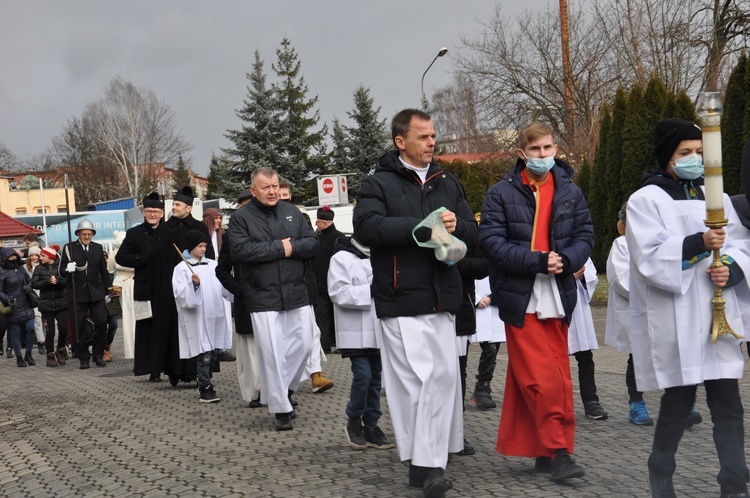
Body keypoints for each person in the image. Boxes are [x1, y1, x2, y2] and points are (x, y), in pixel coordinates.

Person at [353, 108, 478, 497]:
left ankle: (422, 464)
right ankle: (427, 464)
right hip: (401, 296)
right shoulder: (378, 183)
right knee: (422, 382)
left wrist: (459, 227)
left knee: (439, 381)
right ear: (400, 141)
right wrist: (421, 227)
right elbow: (367, 227)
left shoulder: (446, 180)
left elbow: (474, 232)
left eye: (433, 136)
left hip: (442, 295)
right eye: (423, 136)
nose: (431, 143)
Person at [626, 118, 750, 498]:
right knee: (679, 402)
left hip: (718, 315)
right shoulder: (646, 200)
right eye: (685, 153)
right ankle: (660, 469)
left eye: (699, 152)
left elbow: (740, 244)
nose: (695, 159)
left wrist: (730, 268)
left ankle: (734, 482)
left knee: (728, 404)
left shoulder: (718, 197)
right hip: (678, 315)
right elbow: (647, 256)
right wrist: (698, 242)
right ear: (667, 157)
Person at [479, 121, 593, 481]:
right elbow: (492, 244)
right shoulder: (499, 193)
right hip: (520, 297)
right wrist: (538, 260)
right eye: (535, 150)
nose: (543, 156)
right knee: (544, 380)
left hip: (558, 295)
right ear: (521, 154)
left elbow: (585, 235)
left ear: (555, 149)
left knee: (551, 376)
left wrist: (568, 260)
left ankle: (542, 449)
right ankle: (558, 450)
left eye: (548, 148)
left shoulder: (571, 191)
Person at [228, 167, 319, 431]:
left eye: (275, 186)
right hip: (262, 294)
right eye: (266, 187)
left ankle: (286, 391)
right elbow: (242, 251)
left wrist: (292, 247)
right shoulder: (241, 218)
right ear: (253, 190)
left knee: (303, 347)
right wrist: (284, 246)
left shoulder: (293, 213)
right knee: (272, 353)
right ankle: (281, 410)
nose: (272, 191)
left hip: (296, 292)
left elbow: (312, 244)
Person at [328, 235, 394, 451]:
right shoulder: (341, 258)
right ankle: (354, 419)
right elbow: (338, 293)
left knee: (376, 378)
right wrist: (373, 290)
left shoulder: (381, 255)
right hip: (354, 330)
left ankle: (372, 425)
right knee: (363, 375)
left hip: (380, 327)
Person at [149, 186, 215, 386]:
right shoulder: (163, 228)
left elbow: (208, 256)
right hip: (169, 288)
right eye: (173, 204)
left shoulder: (199, 227)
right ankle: (173, 369)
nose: (174, 207)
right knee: (170, 328)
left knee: (194, 327)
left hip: (193, 287)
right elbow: (154, 257)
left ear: (188, 208)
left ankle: (196, 371)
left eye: (177, 204)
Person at [278, 182, 335, 394]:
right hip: (280, 287)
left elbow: (311, 246)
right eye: (279, 195)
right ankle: (289, 378)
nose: (282, 198)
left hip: (305, 283)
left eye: (286, 194)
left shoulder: (300, 219)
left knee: (311, 331)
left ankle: (315, 375)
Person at [605, 203, 654, 426]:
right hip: (639, 308)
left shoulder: (659, 242)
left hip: (663, 309)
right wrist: (652, 292)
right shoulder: (622, 244)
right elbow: (620, 279)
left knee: (674, 354)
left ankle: (684, 402)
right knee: (638, 357)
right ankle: (636, 404)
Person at [172, 230, 232, 403]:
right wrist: (194, 285)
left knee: (213, 352)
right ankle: (205, 386)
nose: (203, 249)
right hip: (198, 316)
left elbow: (223, 286)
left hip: (214, 313)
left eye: (205, 246)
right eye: (200, 246)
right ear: (191, 247)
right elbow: (179, 293)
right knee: (204, 352)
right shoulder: (182, 268)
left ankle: (204, 378)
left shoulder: (213, 265)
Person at [216, 188, 261, 407]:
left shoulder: (268, 228)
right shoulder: (230, 235)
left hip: (272, 299)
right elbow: (222, 270)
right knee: (251, 350)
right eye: (242, 205)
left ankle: (281, 391)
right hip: (246, 302)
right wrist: (240, 290)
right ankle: (255, 392)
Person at [116, 192, 164, 381]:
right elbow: (121, 257)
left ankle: (167, 366)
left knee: (166, 329)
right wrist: (142, 259)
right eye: (149, 211)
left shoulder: (168, 230)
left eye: (156, 211)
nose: (153, 214)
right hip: (145, 288)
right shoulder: (134, 233)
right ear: (144, 212)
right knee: (147, 331)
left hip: (166, 288)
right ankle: (150, 369)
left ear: (162, 213)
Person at [59, 219, 111, 369]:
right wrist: (67, 269)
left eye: (90, 234)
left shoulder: (97, 247)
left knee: (102, 322)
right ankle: (83, 356)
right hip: (76, 292)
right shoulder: (69, 248)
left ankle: (98, 354)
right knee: (78, 326)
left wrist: (108, 291)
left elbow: (103, 271)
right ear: (78, 234)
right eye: (84, 234)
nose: (87, 237)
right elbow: (61, 271)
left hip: (96, 292)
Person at [568, 259, 608, 421]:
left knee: (585, 357)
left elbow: (590, 273)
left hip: (576, 306)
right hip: (551, 303)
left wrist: (582, 277)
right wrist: (566, 278)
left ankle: (591, 401)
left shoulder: (576, 245)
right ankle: (553, 402)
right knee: (552, 359)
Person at [203, 207, 235, 363]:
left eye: (220, 218)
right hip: (208, 278)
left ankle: (224, 347)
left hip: (222, 278)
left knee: (225, 310)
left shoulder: (223, 237)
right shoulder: (204, 237)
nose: (218, 221)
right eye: (215, 218)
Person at [313, 205, 344, 353]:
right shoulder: (317, 237)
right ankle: (325, 344)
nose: (316, 225)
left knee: (336, 315)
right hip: (320, 284)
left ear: (325, 223)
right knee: (322, 315)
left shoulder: (338, 238)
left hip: (334, 283)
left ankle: (339, 343)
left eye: (317, 222)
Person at [0, 249, 38, 367]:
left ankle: (28, 353)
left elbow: (29, 281)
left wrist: (29, 287)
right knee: (15, 333)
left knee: (31, 328)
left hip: (26, 304)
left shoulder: (21, 269)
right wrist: (7, 300)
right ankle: (19, 357)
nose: (13, 259)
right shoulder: (2, 273)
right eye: (10, 257)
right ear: (5, 258)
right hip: (13, 306)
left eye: (14, 256)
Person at [470, 276, 504, 410]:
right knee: (487, 349)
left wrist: (492, 297)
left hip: (495, 309)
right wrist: (476, 298)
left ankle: (483, 386)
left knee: (493, 349)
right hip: (473, 307)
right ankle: (462, 388)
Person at [32, 246, 68, 367]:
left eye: (42, 255)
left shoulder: (60, 268)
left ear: (50, 257)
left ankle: (61, 349)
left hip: (61, 303)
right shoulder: (38, 268)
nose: (39, 257)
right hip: (46, 305)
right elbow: (34, 284)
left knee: (63, 328)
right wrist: (48, 282)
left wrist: (57, 281)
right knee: (50, 331)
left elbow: (67, 282)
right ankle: (50, 354)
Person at [23, 244, 45, 355]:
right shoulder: (25, 268)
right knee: (37, 320)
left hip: (44, 295)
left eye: (36, 255)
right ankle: (41, 342)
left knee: (45, 320)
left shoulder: (44, 266)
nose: (34, 257)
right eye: (32, 255)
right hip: (32, 297)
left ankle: (45, 340)